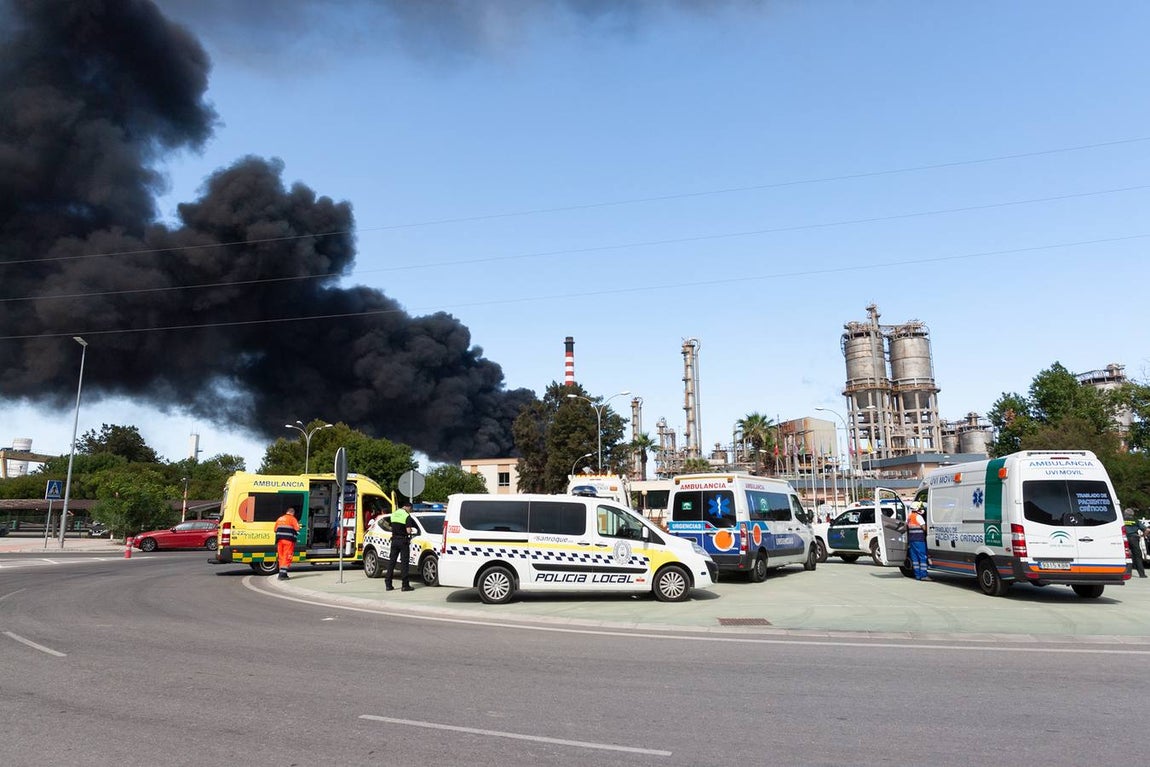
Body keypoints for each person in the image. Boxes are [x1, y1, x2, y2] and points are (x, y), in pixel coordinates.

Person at [386, 502, 418, 592]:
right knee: (404, 563)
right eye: (410, 509)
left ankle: (388, 584)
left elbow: (390, 527)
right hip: (403, 541)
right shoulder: (407, 516)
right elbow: (408, 531)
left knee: (391, 562)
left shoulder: (394, 514)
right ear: (408, 507)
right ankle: (405, 585)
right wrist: (410, 530)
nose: (410, 511)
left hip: (394, 540)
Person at [274, 506, 301, 580]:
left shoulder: (280, 518)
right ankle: (283, 574)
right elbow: (297, 528)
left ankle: (281, 573)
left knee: (281, 556)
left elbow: (275, 529)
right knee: (287, 556)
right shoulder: (292, 519)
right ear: (292, 513)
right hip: (288, 541)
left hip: (280, 540)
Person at [907, 502, 929, 581]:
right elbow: (924, 528)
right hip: (919, 540)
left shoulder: (909, 517)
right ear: (916, 509)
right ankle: (924, 575)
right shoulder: (918, 517)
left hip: (912, 540)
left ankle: (917, 575)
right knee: (922, 557)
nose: (921, 509)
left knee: (915, 558)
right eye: (920, 508)